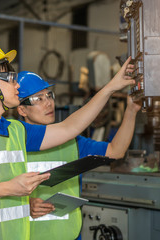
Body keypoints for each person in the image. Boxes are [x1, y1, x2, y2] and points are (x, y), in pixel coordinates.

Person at [0, 43, 135, 240]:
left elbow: (70, 127)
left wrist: (110, 88)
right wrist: (9, 188)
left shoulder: (16, 130)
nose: (17, 84)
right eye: (9, 77)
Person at [16, 71, 141, 240]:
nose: (48, 103)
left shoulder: (71, 142)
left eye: (49, 95)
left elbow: (116, 151)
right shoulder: (13, 145)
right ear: (22, 109)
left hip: (70, 235)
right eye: (38, 99)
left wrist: (131, 111)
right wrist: (25, 205)